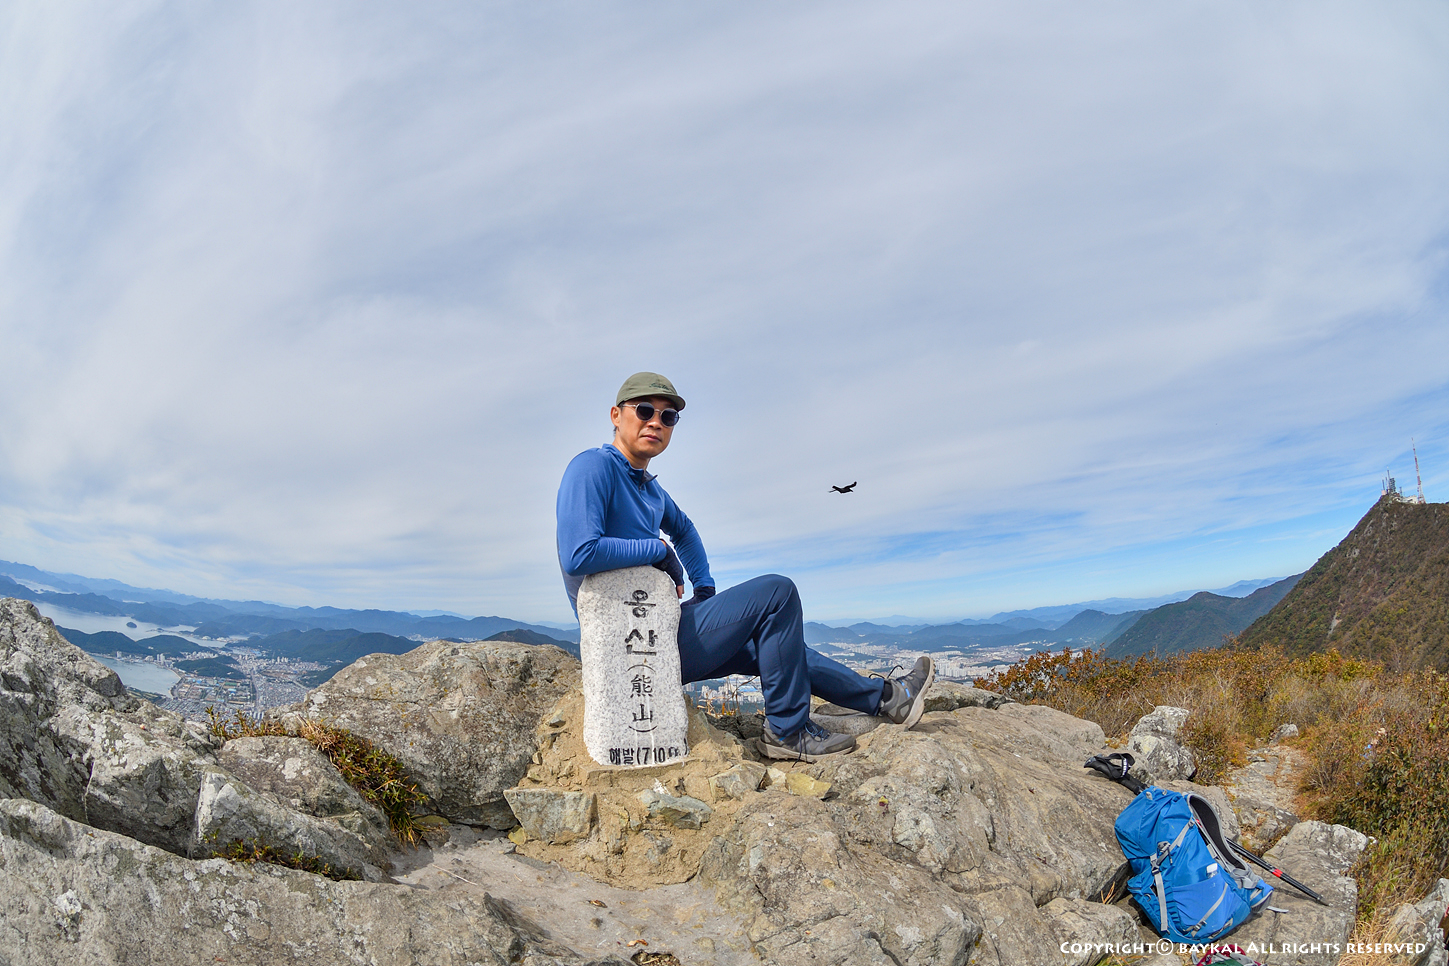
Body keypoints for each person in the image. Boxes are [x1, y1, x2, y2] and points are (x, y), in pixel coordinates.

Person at [556, 371, 934, 761]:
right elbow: (579, 553)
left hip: (659, 629)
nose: (656, 422)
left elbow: (684, 530)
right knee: (777, 592)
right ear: (616, 415)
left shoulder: (650, 488)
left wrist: (704, 587)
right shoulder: (592, 467)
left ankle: (889, 699)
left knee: (774, 648)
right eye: (645, 410)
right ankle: (787, 733)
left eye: (668, 417)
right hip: (629, 645)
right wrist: (658, 551)